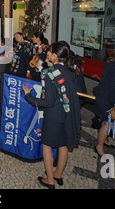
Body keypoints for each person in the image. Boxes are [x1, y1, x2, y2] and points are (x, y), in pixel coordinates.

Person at [22, 41, 81, 189]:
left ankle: (50, 180)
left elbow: (48, 101)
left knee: (46, 146)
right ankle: (58, 174)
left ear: (55, 55)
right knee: (63, 145)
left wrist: (28, 96)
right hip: (67, 114)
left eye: (50, 51)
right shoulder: (71, 72)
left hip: (54, 116)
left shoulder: (49, 74)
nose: (47, 53)